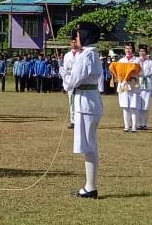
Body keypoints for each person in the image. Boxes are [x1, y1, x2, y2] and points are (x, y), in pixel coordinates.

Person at [63, 21, 104, 199]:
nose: (76, 38)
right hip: (89, 101)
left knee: (89, 146)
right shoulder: (91, 55)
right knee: (89, 145)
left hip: (86, 103)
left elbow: (72, 82)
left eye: (78, 35)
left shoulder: (86, 56)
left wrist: (63, 74)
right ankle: (89, 185)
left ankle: (90, 187)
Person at [109, 41, 142, 133]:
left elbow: (141, 72)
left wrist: (133, 75)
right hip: (123, 85)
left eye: (130, 48)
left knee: (133, 106)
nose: (128, 50)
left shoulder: (137, 60)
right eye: (126, 48)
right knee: (125, 106)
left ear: (133, 50)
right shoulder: (121, 61)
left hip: (133, 84)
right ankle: (127, 126)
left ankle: (134, 126)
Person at [61, 33, 80, 129]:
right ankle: (72, 120)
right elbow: (65, 69)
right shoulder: (67, 55)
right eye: (72, 42)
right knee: (71, 101)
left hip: (79, 81)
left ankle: (79, 120)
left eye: (75, 42)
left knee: (79, 101)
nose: (74, 44)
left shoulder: (81, 54)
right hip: (70, 81)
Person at [136, 45, 152, 130]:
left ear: (146, 52)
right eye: (140, 51)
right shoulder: (136, 61)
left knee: (146, 106)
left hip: (147, 83)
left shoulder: (150, 62)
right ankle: (139, 123)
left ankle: (144, 123)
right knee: (138, 105)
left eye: (143, 51)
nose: (142, 53)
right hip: (138, 83)